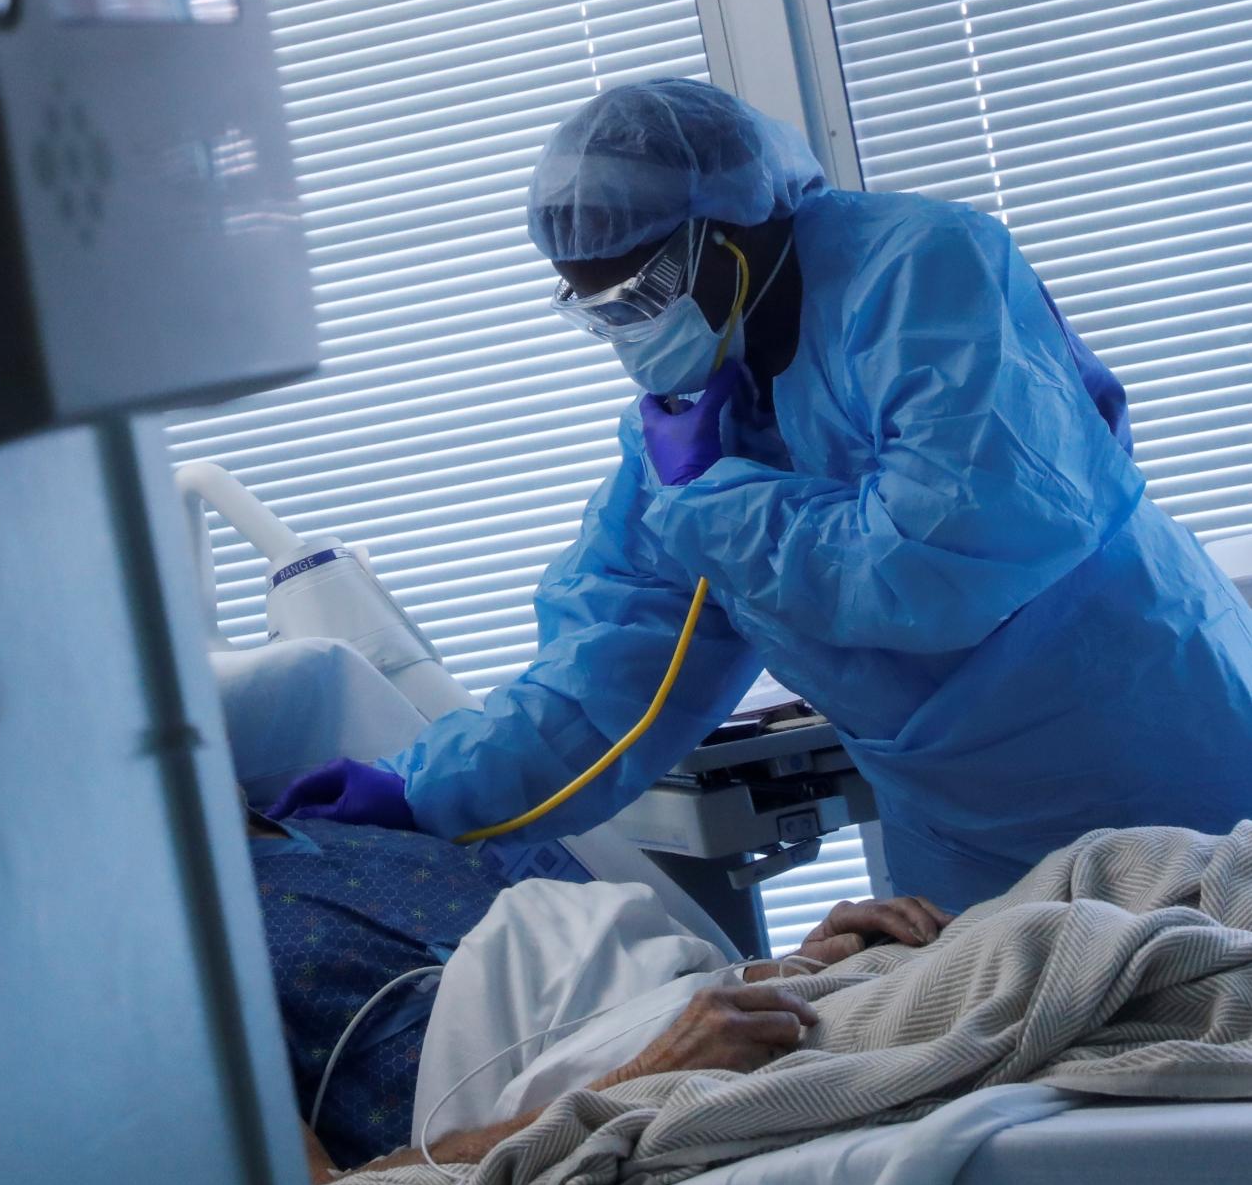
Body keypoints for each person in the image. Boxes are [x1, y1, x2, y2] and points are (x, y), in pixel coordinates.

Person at [273, 78, 1252, 913]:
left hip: (1152, 753)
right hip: (961, 830)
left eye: (642, 295)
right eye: (599, 311)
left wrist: (708, 499)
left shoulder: (922, 273)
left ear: (727, 232)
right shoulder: (688, 431)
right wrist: (415, 789)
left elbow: (948, 557)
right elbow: (605, 678)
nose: (629, 332)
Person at [246, 802, 944, 1172]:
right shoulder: (179, 969)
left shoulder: (364, 833)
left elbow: (588, 975)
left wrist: (794, 965)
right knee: (1026, 962)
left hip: (730, 1018)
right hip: (632, 1097)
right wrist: (632, 1082)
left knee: (1017, 925)